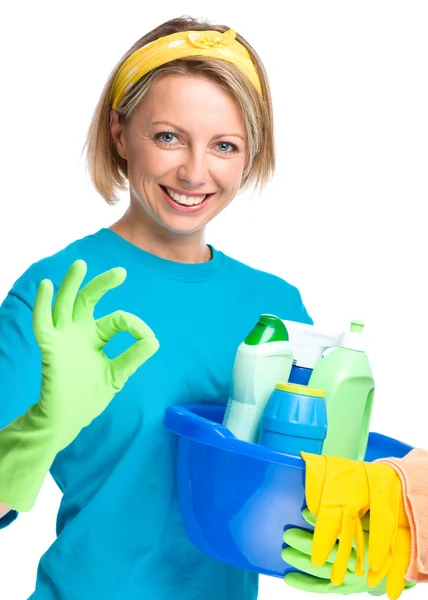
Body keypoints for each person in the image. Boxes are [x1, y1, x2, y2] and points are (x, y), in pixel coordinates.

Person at [0, 15, 313, 600]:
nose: (195, 172)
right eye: (168, 137)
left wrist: (350, 538)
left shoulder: (277, 308)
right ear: (120, 133)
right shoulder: (58, 293)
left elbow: (297, 504)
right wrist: (40, 432)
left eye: (224, 145)